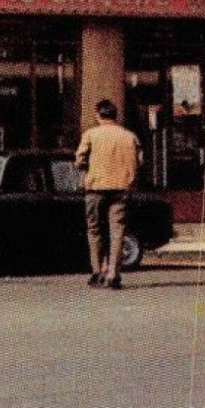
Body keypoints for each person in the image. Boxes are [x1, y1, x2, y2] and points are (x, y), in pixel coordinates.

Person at [76, 99, 142, 290]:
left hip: (95, 187)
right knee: (117, 231)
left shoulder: (90, 135)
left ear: (98, 115)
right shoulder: (129, 137)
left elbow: (80, 160)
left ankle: (97, 272)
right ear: (115, 115)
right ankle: (114, 273)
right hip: (121, 188)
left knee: (94, 229)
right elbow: (139, 161)